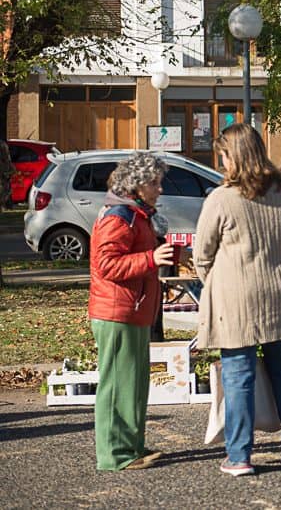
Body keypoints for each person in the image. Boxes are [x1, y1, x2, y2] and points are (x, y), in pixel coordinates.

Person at [193, 124, 281, 477]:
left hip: (235, 301)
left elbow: (202, 254)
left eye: (222, 155)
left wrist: (218, 282)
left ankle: (239, 455)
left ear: (233, 156)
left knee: (238, 376)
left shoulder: (222, 199)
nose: (220, 162)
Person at [89, 151, 175, 470]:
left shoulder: (134, 214)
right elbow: (107, 265)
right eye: (155, 182)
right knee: (117, 385)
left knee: (133, 383)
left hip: (131, 310)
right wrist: (152, 259)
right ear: (137, 185)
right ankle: (116, 455)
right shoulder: (119, 216)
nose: (160, 188)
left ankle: (131, 447)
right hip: (117, 312)